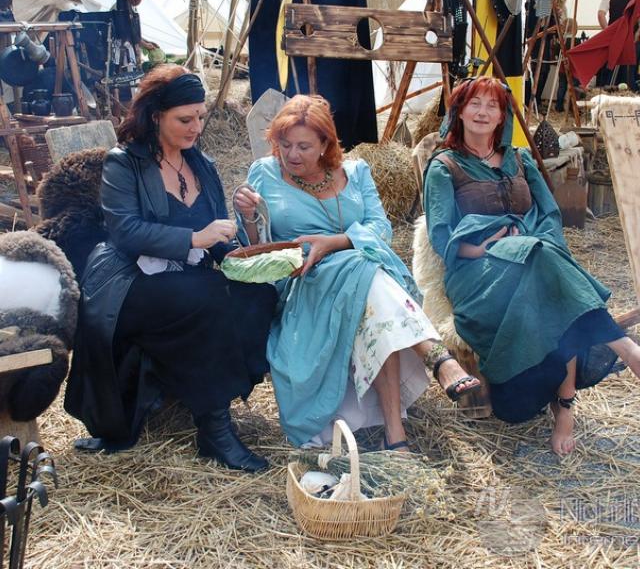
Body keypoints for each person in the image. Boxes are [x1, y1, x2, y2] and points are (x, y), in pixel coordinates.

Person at [233, 95, 480, 451]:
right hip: (306, 283)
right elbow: (257, 248)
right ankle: (437, 358)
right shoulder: (265, 173)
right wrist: (248, 217)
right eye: (284, 144)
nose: (291, 155)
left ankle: (396, 436)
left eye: (303, 146)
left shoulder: (356, 172)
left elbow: (381, 229)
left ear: (325, 144)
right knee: (365, 271)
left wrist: (335, 242)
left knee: (369, 296)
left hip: (362, 277)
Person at [64, 64, 277, 472]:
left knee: (257, 294)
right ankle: (214, 431)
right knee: (208, 297)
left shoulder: (203, 165)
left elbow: (218, 236)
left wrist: (244, 257)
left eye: (200, 116)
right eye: (185, 119)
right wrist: (194, 239)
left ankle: (212, 389)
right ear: (155, 115)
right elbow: (125, 232)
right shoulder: (123, 164)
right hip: (127, 282)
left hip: (184, 278)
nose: (196, 127)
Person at [423, 76, 640, 456]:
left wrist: (536, 243)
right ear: (459, 111)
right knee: (546, 271)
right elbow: (441, 235)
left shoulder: (520, 160)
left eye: (492, 105)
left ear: (502, 116)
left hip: (535, 261)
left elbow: (549, 214)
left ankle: (565, 408)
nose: (483, 112)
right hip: (477, 273)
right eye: (475, 104)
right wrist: (482, 247)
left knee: (542, 260)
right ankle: (622, 346)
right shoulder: (445, 167)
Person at [596, 0, 637, 88]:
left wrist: (607, 31)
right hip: (631, 38)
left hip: (614, 37)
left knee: (611, 66)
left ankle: (607, 89)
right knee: (627, 70)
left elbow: (601, 14)